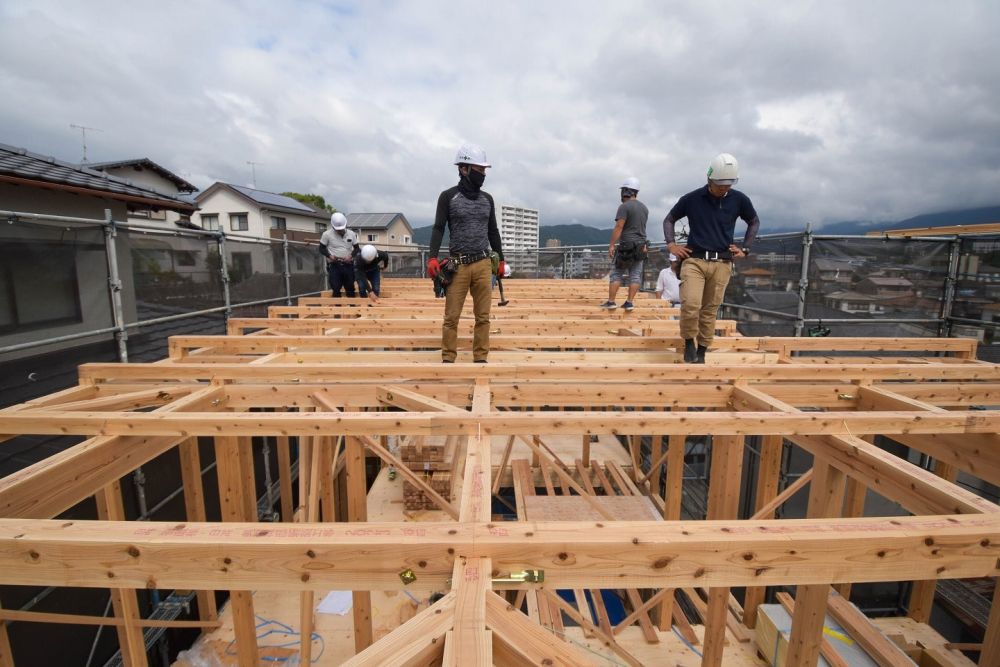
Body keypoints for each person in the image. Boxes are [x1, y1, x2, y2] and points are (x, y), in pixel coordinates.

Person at [663, 153, 760, 363]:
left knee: (710, 309)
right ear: (710, 179)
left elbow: (753, 221)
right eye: (720, 184)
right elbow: (669, 219)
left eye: (728, 184)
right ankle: (689, 340)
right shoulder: (692, 199)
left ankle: (702, 350)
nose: (724, 188)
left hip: (722, 262)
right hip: (694, 260)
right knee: (691, 305)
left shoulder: (739, 199)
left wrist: (746, 248)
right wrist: (671, 244)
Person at [427, 142, 505, 363]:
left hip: (482, 264)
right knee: (451, 317)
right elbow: (438, 228)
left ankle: (480, 358)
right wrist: (432, 256)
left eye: (484, 170)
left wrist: (501, 261)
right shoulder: (448, 197)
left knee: (483, 317)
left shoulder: (487, 199)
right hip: (458, 265)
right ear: (463, 168)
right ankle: (448, 358)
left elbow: (493, 231)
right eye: (479, 170)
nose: (482, 174)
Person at [600, 177, 648, 312]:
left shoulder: (624, 207)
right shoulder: (644, 208)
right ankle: (629, 303)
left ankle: (611, 302)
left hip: (627, 245)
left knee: (616, 274)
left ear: (626, 191)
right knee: (635, 275)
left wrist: (611, 245)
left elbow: (619, 226)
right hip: (641, 246)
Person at [319, 212, 358, 297]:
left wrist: (351, 256)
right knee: (336, 288)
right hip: (334, 265)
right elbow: (321, 248)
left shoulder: (351, 234)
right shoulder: (326, 234)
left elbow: (357, 248)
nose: (340, 230)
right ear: (333, 226)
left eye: (341, 229)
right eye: (338, 229)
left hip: (348, 265)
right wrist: (329, 256)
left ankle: (352, 308)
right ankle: (338, 309)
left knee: (350, 288)